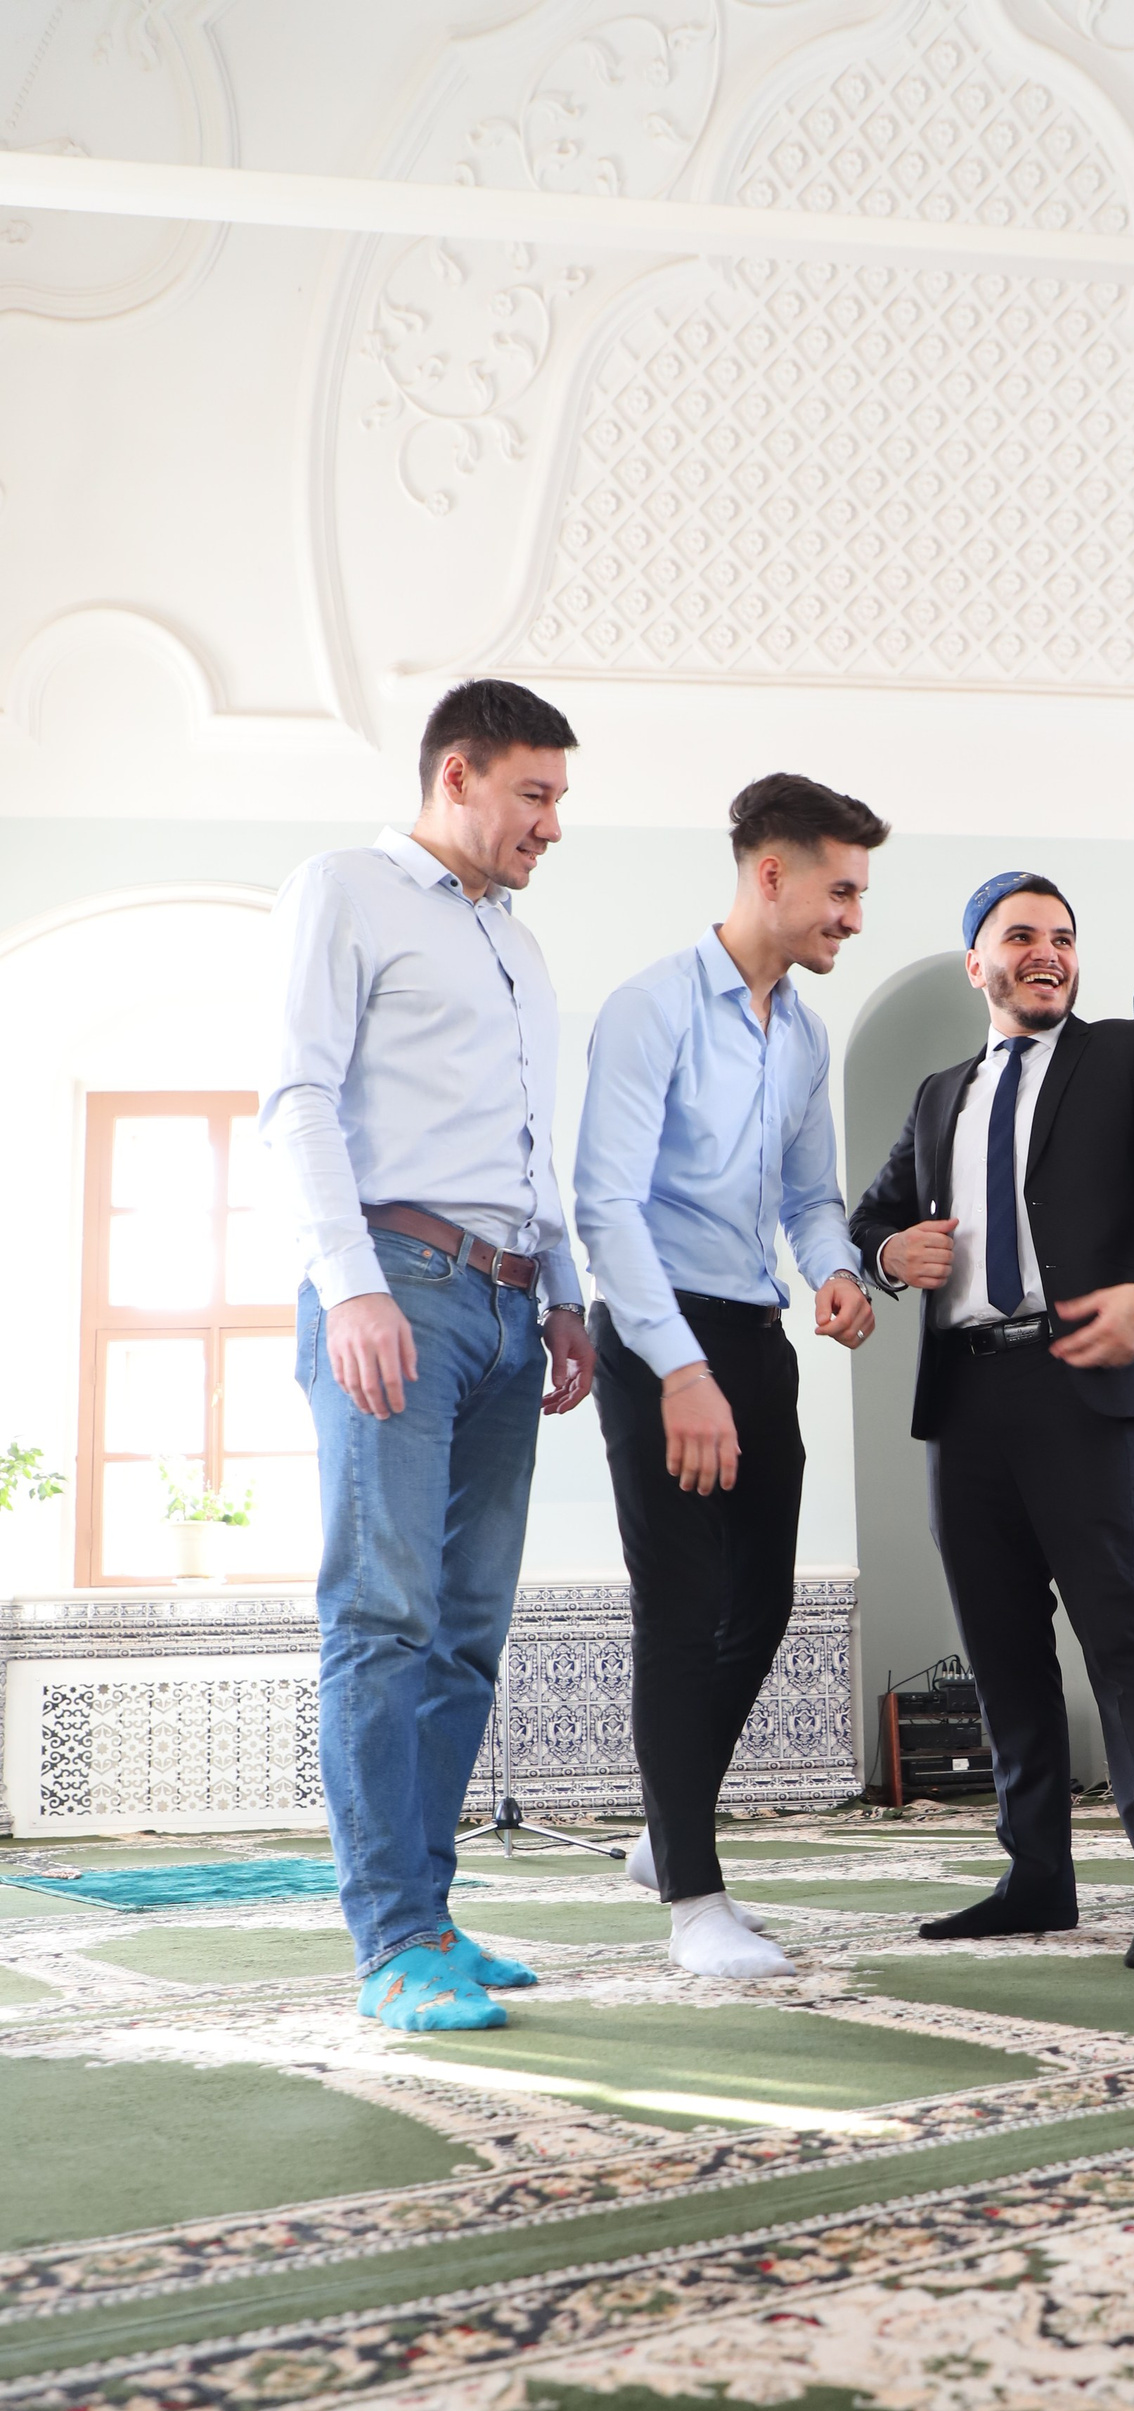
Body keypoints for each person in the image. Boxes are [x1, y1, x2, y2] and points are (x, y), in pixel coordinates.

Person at [261, 679, 598, 2033]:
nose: (553, 825)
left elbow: (530, 1144)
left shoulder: (517, 943)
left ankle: (435, 1918)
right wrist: (349, 1287)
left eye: (559, 800)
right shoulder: (344, 889)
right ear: (457, 775)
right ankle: (390, 1943)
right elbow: (297, 1096)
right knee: (384, 1616)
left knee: (464, 1634)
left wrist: (564, 1294)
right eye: (535, 794)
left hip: (510, 1308)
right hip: (395, 1285)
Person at [850, 873, 1134, 1968]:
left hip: (1078, 1379)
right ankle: (1036, 1879)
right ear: (975, 963)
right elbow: (874, 1217)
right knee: (1001, 1648)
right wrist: (886, 1253)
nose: (1049, 953)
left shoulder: (1125, 1056)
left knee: (1122, 1642)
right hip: (964, 1395)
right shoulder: (941, 1094)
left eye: (1064, 937)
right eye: (1021, 935)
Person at [574, 774, 884, 1981]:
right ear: (771, 873)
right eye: (841, 890)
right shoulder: (650, 1009)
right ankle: (695, 1904)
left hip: (756, 1336)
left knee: (760, 1604)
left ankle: (669, 1830)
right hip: (661, 1338)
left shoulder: (802, 1034)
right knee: (681, 1607)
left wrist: (835, 1270)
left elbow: (810, 1196)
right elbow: (607, 1205)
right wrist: (680, 1371)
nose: (852, 916)